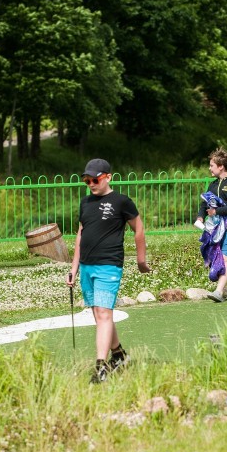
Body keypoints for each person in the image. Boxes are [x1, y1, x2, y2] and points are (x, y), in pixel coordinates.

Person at [67, 158, 151, 384]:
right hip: (86, 266)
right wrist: (73, 267)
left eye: (95, 179)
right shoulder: (85, 203)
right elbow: (80, 233)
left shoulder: (122, 202)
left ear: (108, 177)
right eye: (87, 180)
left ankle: (101, 367)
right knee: (98, 314)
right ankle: (119, 356)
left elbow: (139, 228)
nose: (91, 184)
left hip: (109, 265)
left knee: (104, 314)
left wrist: (141, 260)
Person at [195, 147, 227, 303]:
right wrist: (200, 217)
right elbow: (205, 204)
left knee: (225, 257)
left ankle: (219, 291)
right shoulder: (212, 185)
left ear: (221, 166)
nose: (209, 168)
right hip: (218, 228)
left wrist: (216, 211)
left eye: (212, 165)